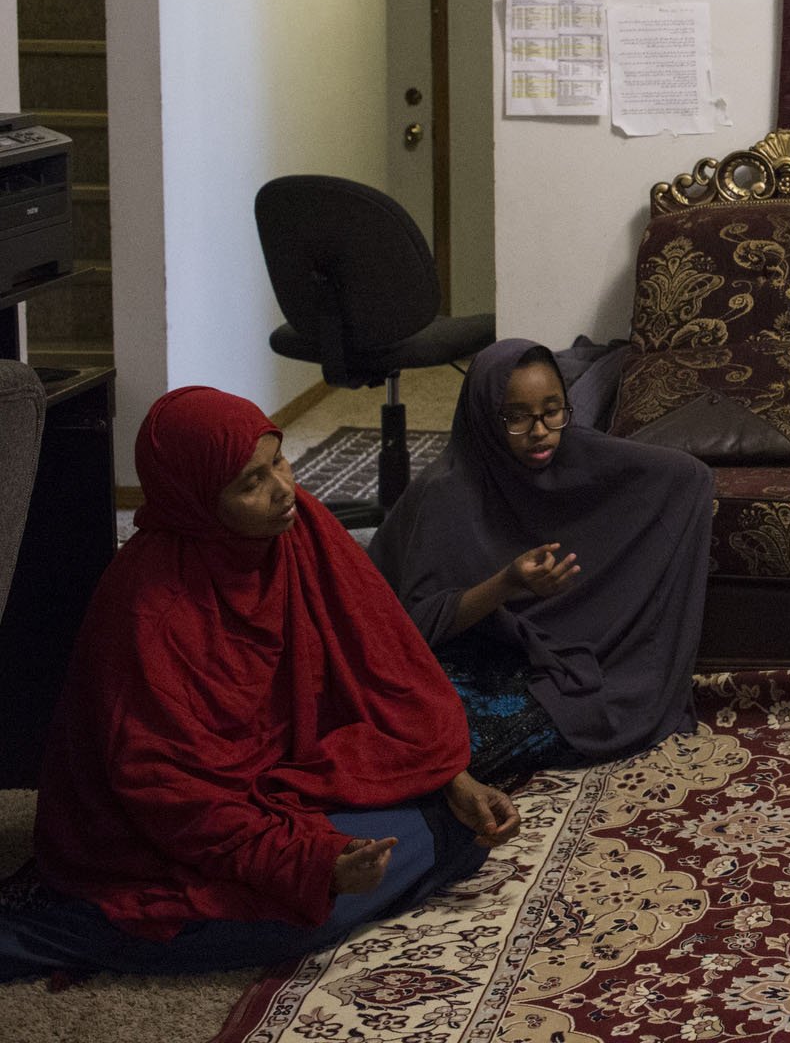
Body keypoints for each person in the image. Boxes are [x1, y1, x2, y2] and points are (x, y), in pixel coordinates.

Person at [0, 388, 519, 980]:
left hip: (282, 782)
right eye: (251, 482)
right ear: (193, 499)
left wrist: (455, 777)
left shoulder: (299, 528)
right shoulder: (150, 610)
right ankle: (75, 935)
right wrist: (310, 863)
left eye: (278, 459)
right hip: (162, 837)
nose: (282, 489)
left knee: (453, 823)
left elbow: (385, 665)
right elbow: (167, 796)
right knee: (297, 905)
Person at [369, 339, 715, 787]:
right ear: (485, 418)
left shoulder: (575, 451)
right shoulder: (445, 492)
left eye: (553, 410)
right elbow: (413, 627)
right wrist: (505, 584)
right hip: (463, 656)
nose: (540, 431)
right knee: (409, 731)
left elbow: (687, 477)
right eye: (517, 417)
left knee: (554, 715)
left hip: (539, 661)